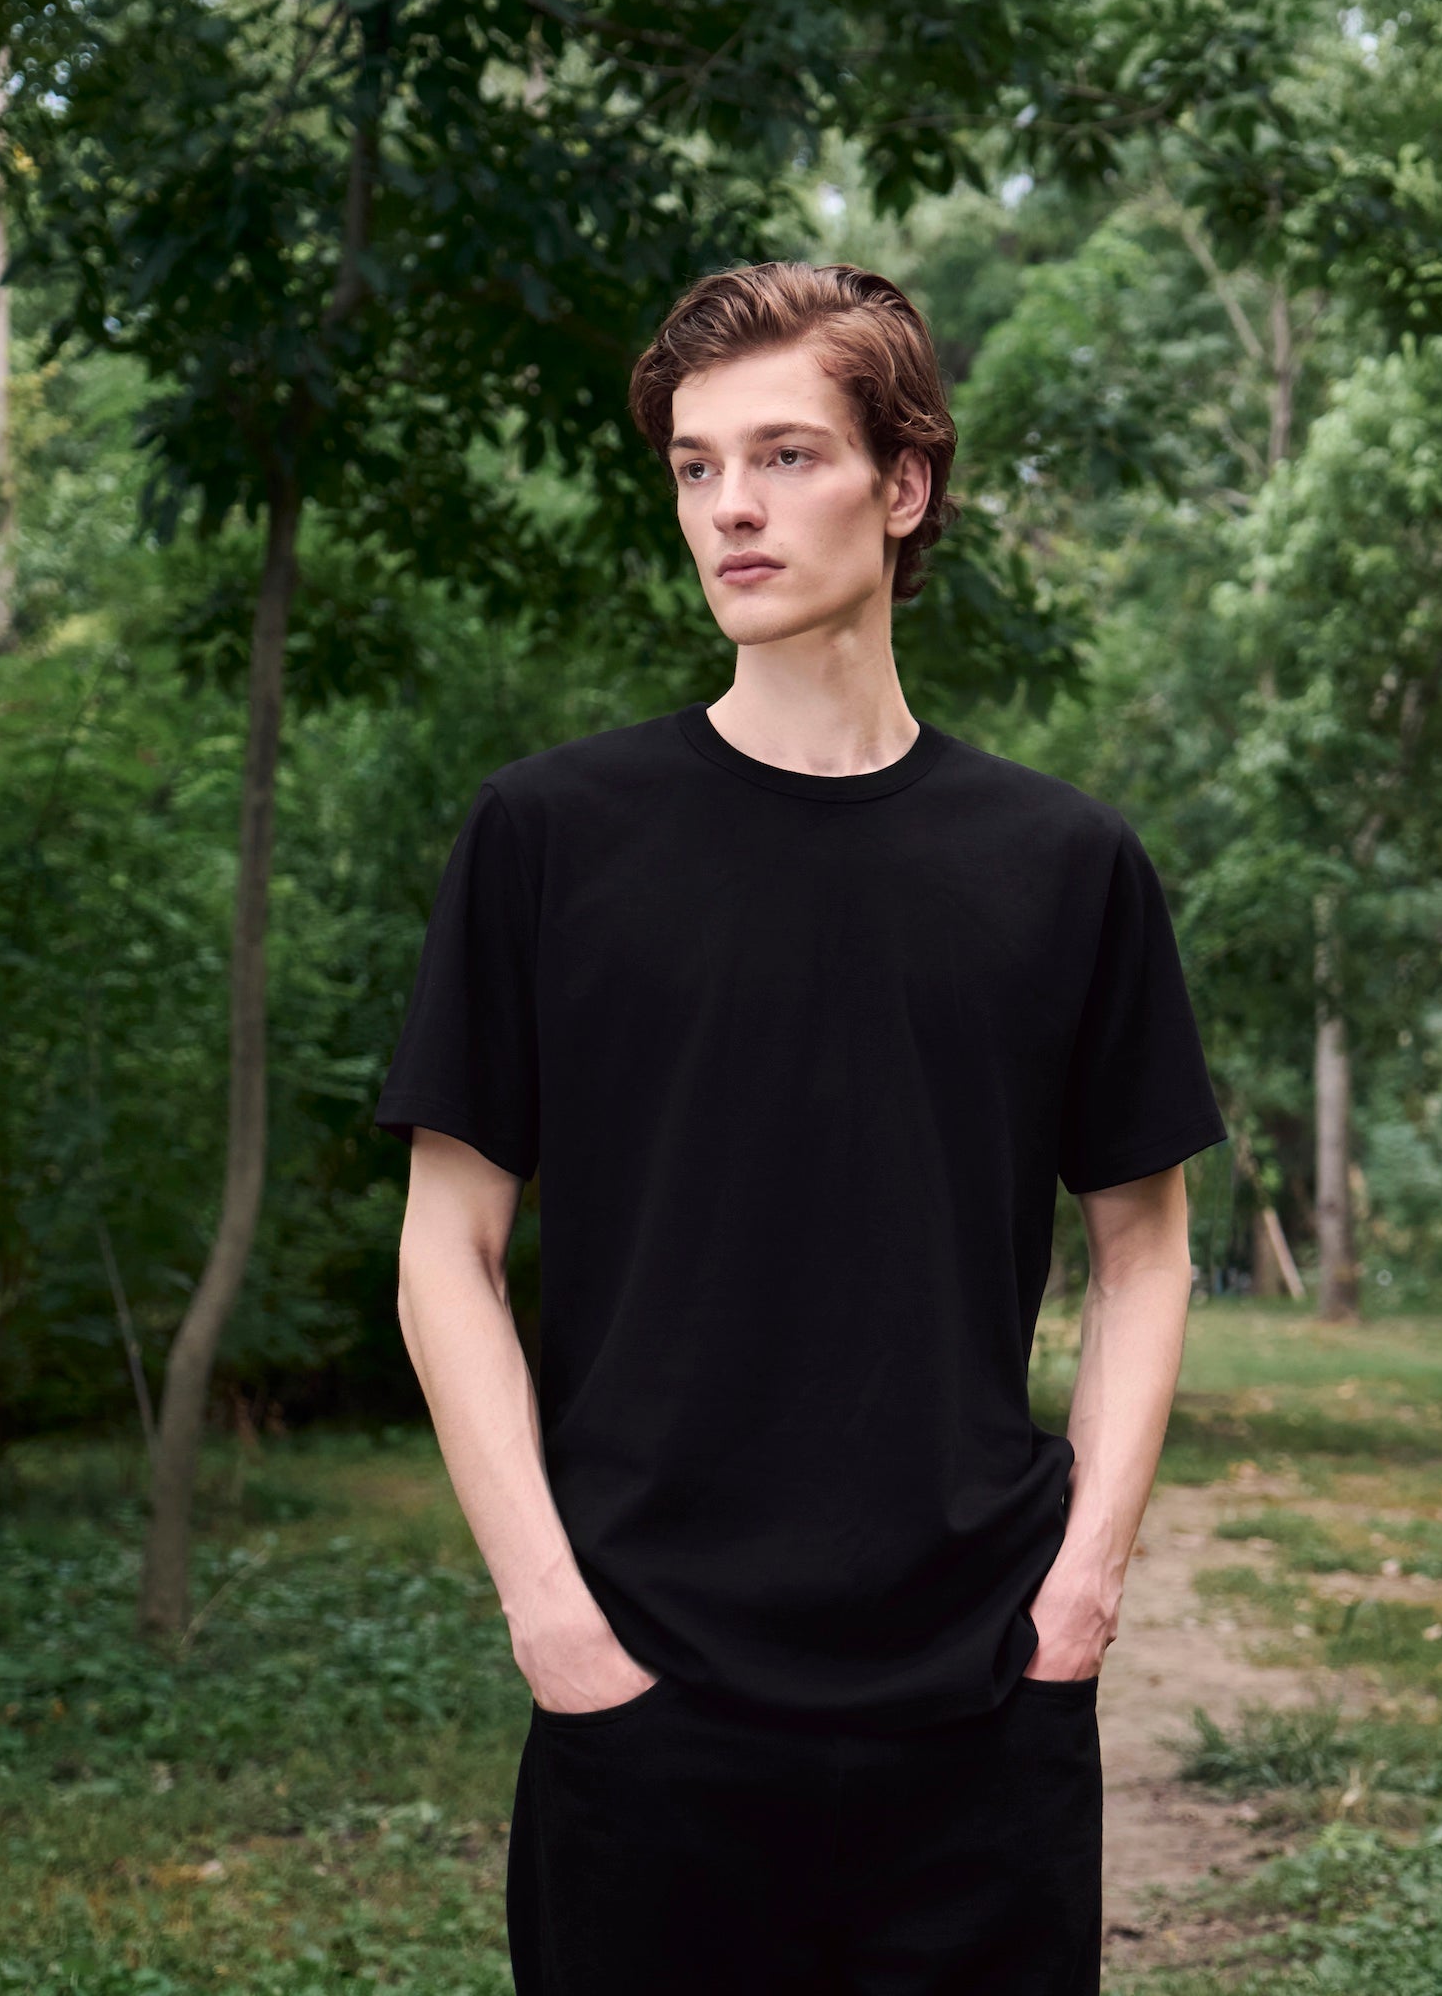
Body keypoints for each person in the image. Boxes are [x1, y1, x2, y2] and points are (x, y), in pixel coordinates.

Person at [375, 261, 1227, 1995]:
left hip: (981, 1700)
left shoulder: (1064, 867)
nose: (730, 510)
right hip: (643, 1694)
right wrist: (554, 1620)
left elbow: (1144, 1259)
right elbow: (443, 1251)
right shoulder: (550, 840)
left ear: (903, 486)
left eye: (782, 455)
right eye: (695, 467)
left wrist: (1081, 1600)